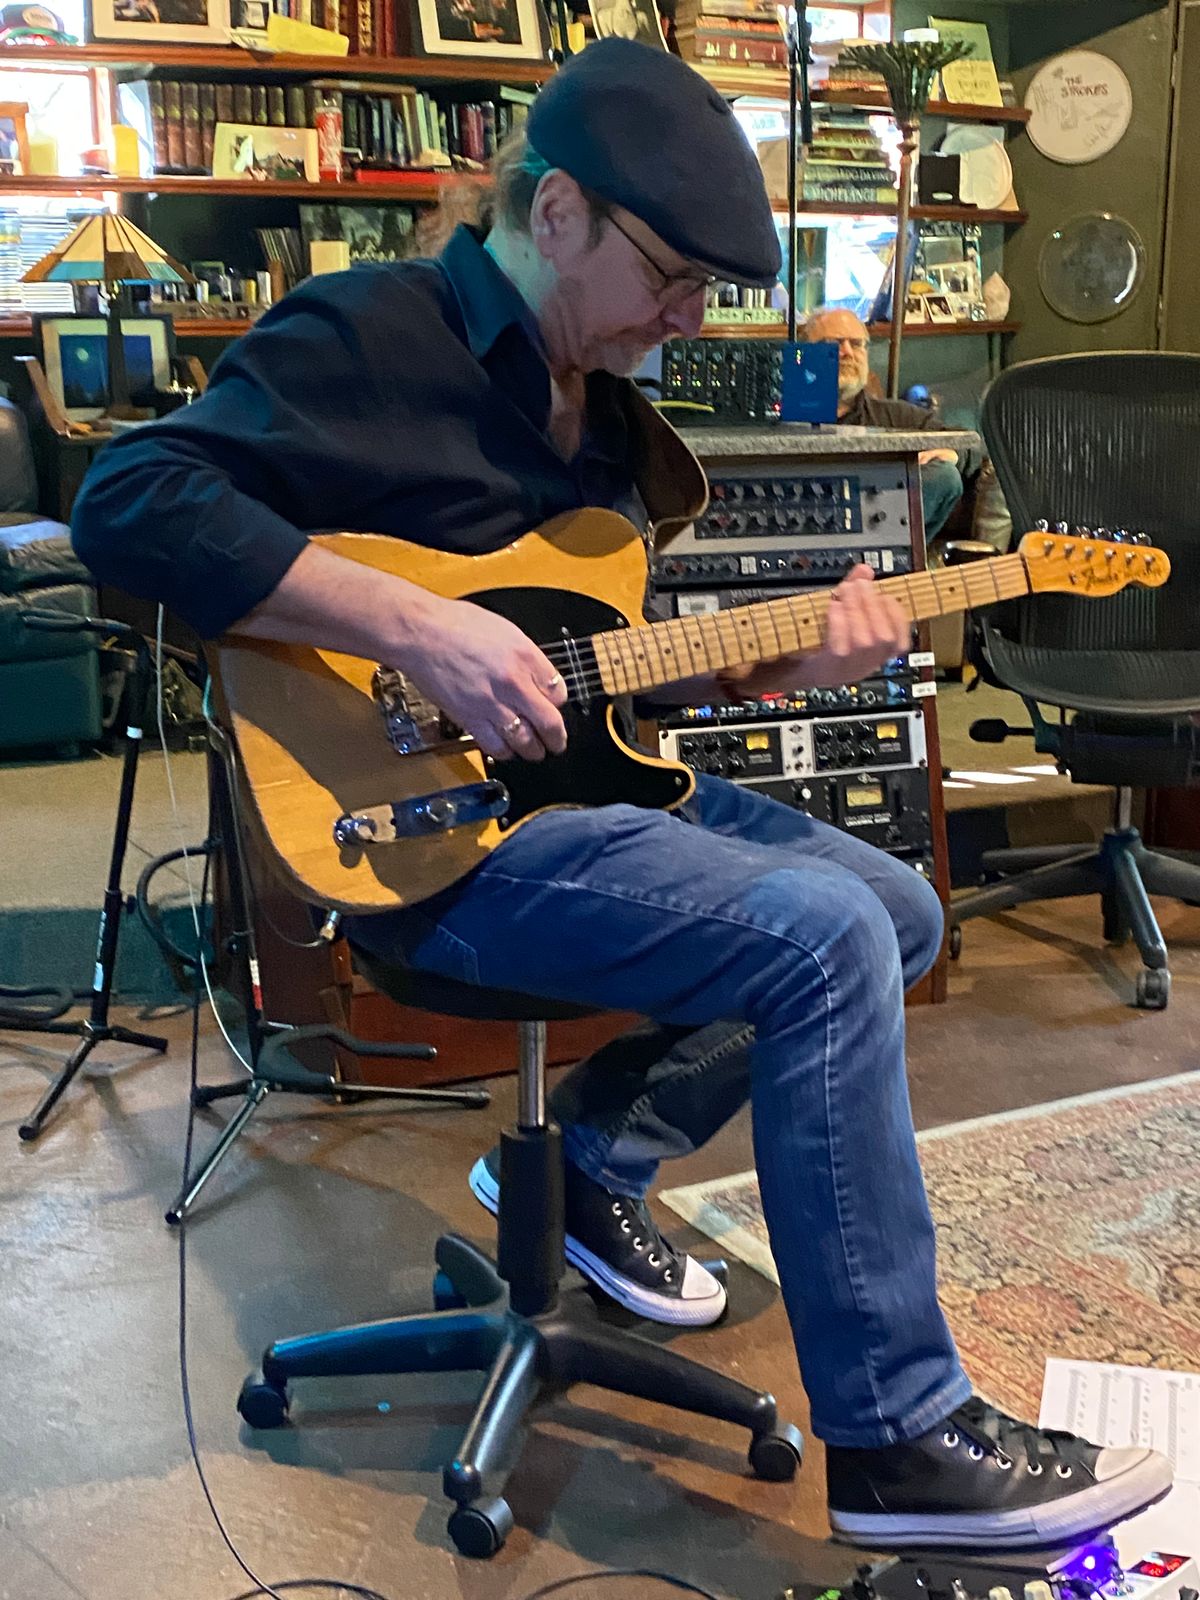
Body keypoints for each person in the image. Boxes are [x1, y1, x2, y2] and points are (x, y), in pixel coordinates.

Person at [71, 39, 1171, 1551]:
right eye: (672, 277)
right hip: (431, 847)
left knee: (901, 909)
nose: (690, 318)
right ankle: (902, 1442)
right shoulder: (370, 333)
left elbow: (601, 673)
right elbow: (126, 501)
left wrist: (783, 665)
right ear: (558, 210)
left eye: (708, 290)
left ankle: (590, 1163)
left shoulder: (607, 415)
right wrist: (416, 628)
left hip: (585, 804)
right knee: (823, 940)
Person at [802, 305, 969, 542]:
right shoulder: (777, 417)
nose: (846, 352)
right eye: (833, 343)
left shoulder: (895, 416)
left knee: (944, 477)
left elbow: (969, 444)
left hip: (880, 542)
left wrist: (952, 452)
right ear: (804, 354)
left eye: (856, 344)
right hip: (803, 529)